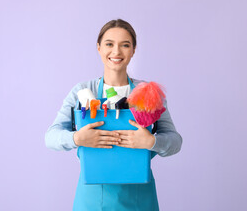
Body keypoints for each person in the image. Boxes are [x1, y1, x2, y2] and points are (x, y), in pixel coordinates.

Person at [45, 19, 183, 211]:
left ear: (133, 50)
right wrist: (77, 138)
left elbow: (175, 141)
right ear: (99, 48)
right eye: (109, 44)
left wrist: (151, 142)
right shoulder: (83, 90)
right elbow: (50, 137)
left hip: (139, 198)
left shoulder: (148, 94)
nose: (116, 52)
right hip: (92, 200)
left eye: (125, 45)